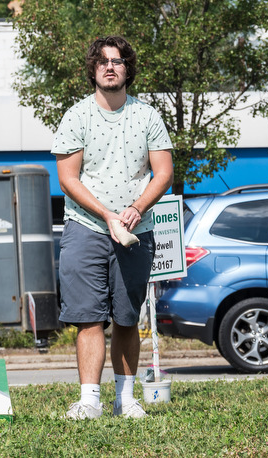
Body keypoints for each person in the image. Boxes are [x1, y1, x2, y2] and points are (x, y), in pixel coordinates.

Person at [51, 36, 173, 420]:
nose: (109, 67)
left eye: (117, 61)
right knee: (88, 317)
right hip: (85, 227)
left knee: (126, 317)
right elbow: (67, 179)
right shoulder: (76, 116)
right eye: (102, 61)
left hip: (137, 231)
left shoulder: (148, 116)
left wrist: (137, 208)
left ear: (127, 70)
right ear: (93, 70)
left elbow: (164, 172)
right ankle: (89, 401)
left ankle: (126, 398)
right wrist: (106, 214)